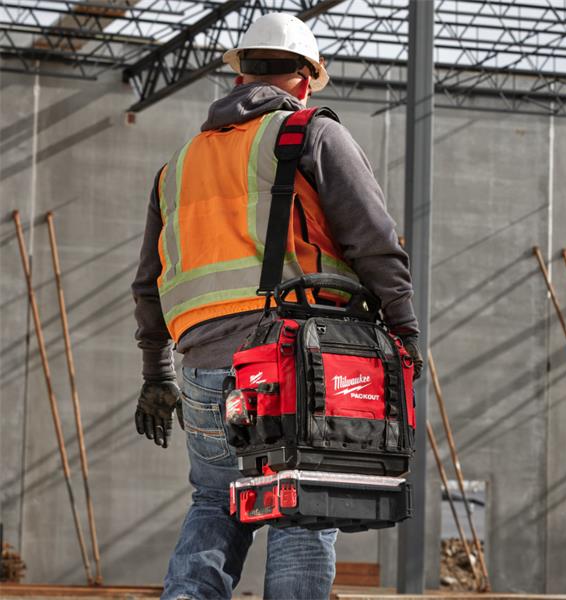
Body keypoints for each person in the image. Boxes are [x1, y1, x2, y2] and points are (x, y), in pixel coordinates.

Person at [131, 12, 422, 600]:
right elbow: (374, 242)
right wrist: (404, 330)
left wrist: (157, 376)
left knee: (215, 501)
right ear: (305, 80)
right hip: (294, 358)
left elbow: (148, 284)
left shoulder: (178, 166)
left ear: (239, 76)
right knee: (303, 504)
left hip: (203, 369)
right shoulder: (311, 133)